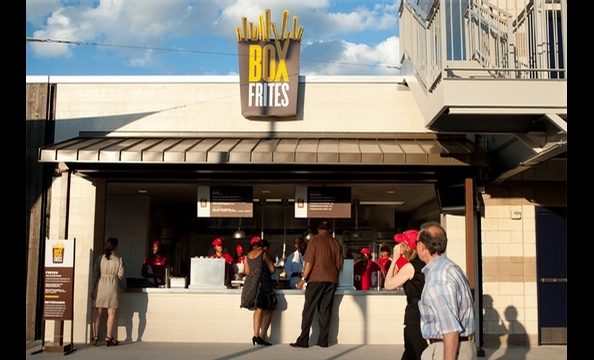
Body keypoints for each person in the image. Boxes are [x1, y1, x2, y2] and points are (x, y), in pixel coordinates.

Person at [416, 221, 476, 360]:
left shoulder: (438, 277)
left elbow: (450, 328)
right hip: (462, 347)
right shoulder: (451, 268)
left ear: (423, 246)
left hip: (446, 349)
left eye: (417, 242)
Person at [290, 220, 344, 348]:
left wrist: (303, 278)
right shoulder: (336, 242)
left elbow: (309, 262)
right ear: (329, 230)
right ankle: (323, 341)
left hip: (316, 279)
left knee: (308, 309)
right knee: (325, 310)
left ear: (319, 229)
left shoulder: (314, 240)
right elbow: (340, 264)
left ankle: (303, 340)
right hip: (331, 280)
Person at [384, 229, 427, 360]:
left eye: (401, 244)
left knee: (416, 351)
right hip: (423, 310)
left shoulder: (410, 268)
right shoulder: (424, 264)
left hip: (415, 313)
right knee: (411, 352)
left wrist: (395, 258)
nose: (398, 247)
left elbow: (388, 284)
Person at [240, 236, 277, 346]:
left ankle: (255, 335)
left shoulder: (248, 255)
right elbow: (272, 269)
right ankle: (262, 335)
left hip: (252, 284)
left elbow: (247, 271)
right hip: (263, 283)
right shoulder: (263, 253)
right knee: (270, 307)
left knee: (258, 309)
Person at [90, 237, 125, 347]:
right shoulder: (118, 260)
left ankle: (95, 336)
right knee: (111, 312)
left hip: (100, 285)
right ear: (115, 247)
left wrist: (92, 289)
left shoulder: (100, 258)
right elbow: (121, 275)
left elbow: (95, 275)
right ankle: (108, 337)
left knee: (97, 311)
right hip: (112, 286)